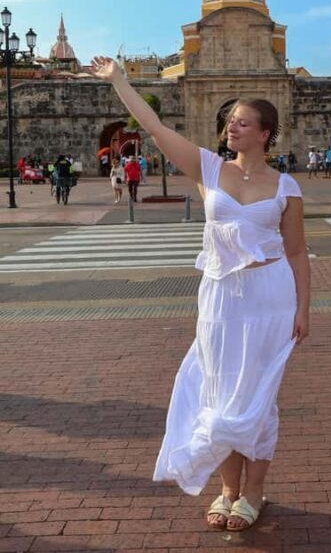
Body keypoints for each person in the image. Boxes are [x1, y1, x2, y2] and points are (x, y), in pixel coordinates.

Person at [88, 56, 310, 532]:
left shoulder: (285, 186)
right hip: (221, 299)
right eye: (230, 121)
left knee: (257, 398)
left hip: (270, 299)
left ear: (265, 133)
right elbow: (154, 127)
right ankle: (228, 490)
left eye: (242, 123)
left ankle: (254, 493)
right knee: (219, 391)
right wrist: (118, 81)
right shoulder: (207, 168)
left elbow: (296, 252)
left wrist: (304, 311)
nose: (232, 128)